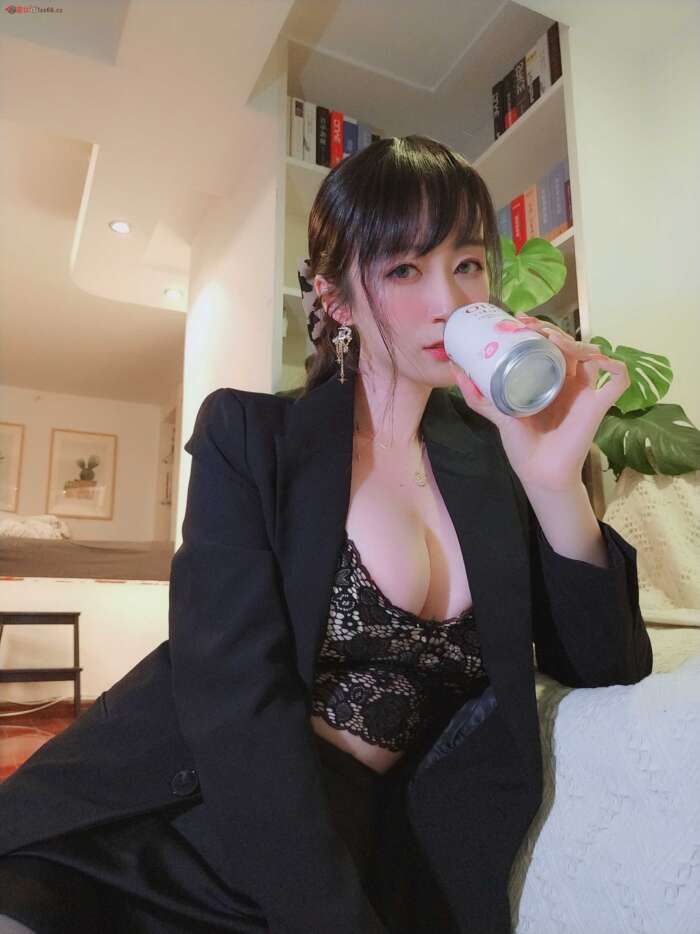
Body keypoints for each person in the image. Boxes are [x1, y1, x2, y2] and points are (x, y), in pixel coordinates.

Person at [0, 136, 652, 934]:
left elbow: (608, 667)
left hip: (371, 844)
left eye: (467, 264)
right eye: (404, 270)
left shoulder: (498, 459)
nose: (448, 300)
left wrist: (555, 487)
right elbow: (232, 703)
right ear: (336, 299)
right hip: (176, 826)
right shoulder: (252, 439)